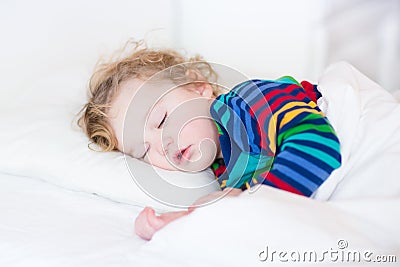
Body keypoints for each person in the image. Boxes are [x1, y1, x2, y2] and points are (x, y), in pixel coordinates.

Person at [78, 41, 341, 240]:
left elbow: (319, 148)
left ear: (198, 88)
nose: (162, 145)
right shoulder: (225, 169)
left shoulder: (251, 101)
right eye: (145, 152)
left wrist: (250, 203)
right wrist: (181, 222)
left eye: (160, 120)